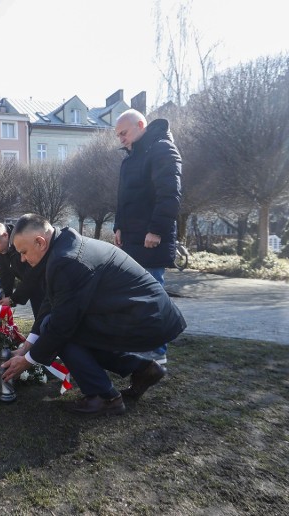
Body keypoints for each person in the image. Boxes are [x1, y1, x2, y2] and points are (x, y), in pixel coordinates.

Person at [2, 214, 186, 416]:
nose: (22, 259)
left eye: (24, 251)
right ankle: (142, 369)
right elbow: (51, 303)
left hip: (146, 318)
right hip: (140, 312)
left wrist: (28, 360)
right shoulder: (62, 246)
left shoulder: (66, 261)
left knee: (62, 332)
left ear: (40, 242)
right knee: (56, 326)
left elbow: (62, 325)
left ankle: (105, 397)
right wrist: (28, 345)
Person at [113, 109, 182, 366]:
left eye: (124, 132)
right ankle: (140, 347)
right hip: (131, 241)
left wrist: (156, 231)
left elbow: (169, 195)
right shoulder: (131, 159)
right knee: (135, 299)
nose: (120, 138)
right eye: (118, 134)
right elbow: (124, 200)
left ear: (140, 125)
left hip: (151, 240)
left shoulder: (162, 149)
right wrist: (118, 226)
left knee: (152, 297)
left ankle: (157, 352)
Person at [0, 220, 46, 338]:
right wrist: (6, 296)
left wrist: (13, 299)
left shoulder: (22, 240)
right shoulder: (1, 244)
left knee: (45, 319)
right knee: (40, 320)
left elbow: (33, 275)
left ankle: (43, 349)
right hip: (33, 287)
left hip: (45, 284)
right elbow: (6, 272)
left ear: (5, 235)